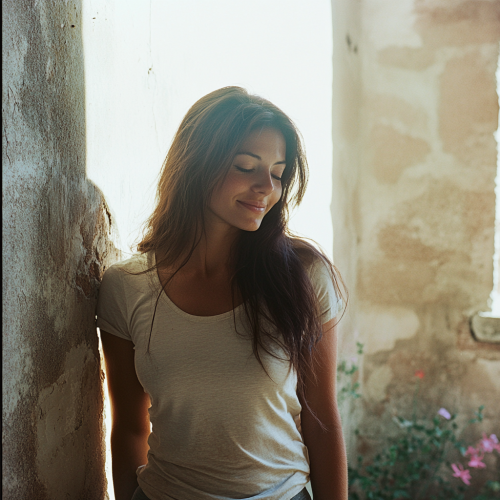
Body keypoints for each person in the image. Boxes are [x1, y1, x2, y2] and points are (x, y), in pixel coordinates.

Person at [96, 86, 348, 500]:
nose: (266, 185)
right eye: (246, 166)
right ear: (196, 165)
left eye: (278, 172)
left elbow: (322, 420)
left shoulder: (303, 277)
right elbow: (129, 424)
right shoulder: (126, 287)